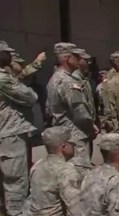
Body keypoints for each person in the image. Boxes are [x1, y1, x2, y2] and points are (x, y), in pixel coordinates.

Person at [0, 43, 39, 216]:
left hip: (5, 133)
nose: (10, 55)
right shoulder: (3, 79)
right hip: (10, 135)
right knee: (16, 179)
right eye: (7, 52)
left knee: (6, 177)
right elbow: (30, 97)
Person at [46, 42, 95, 170]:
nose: (79, 60)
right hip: (75, 136)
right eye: (76, 57)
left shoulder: (54, 78)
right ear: (67, 58)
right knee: (80, 172)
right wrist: (91, 127)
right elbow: (80, 112)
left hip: (63, 134)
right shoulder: (68, 81)